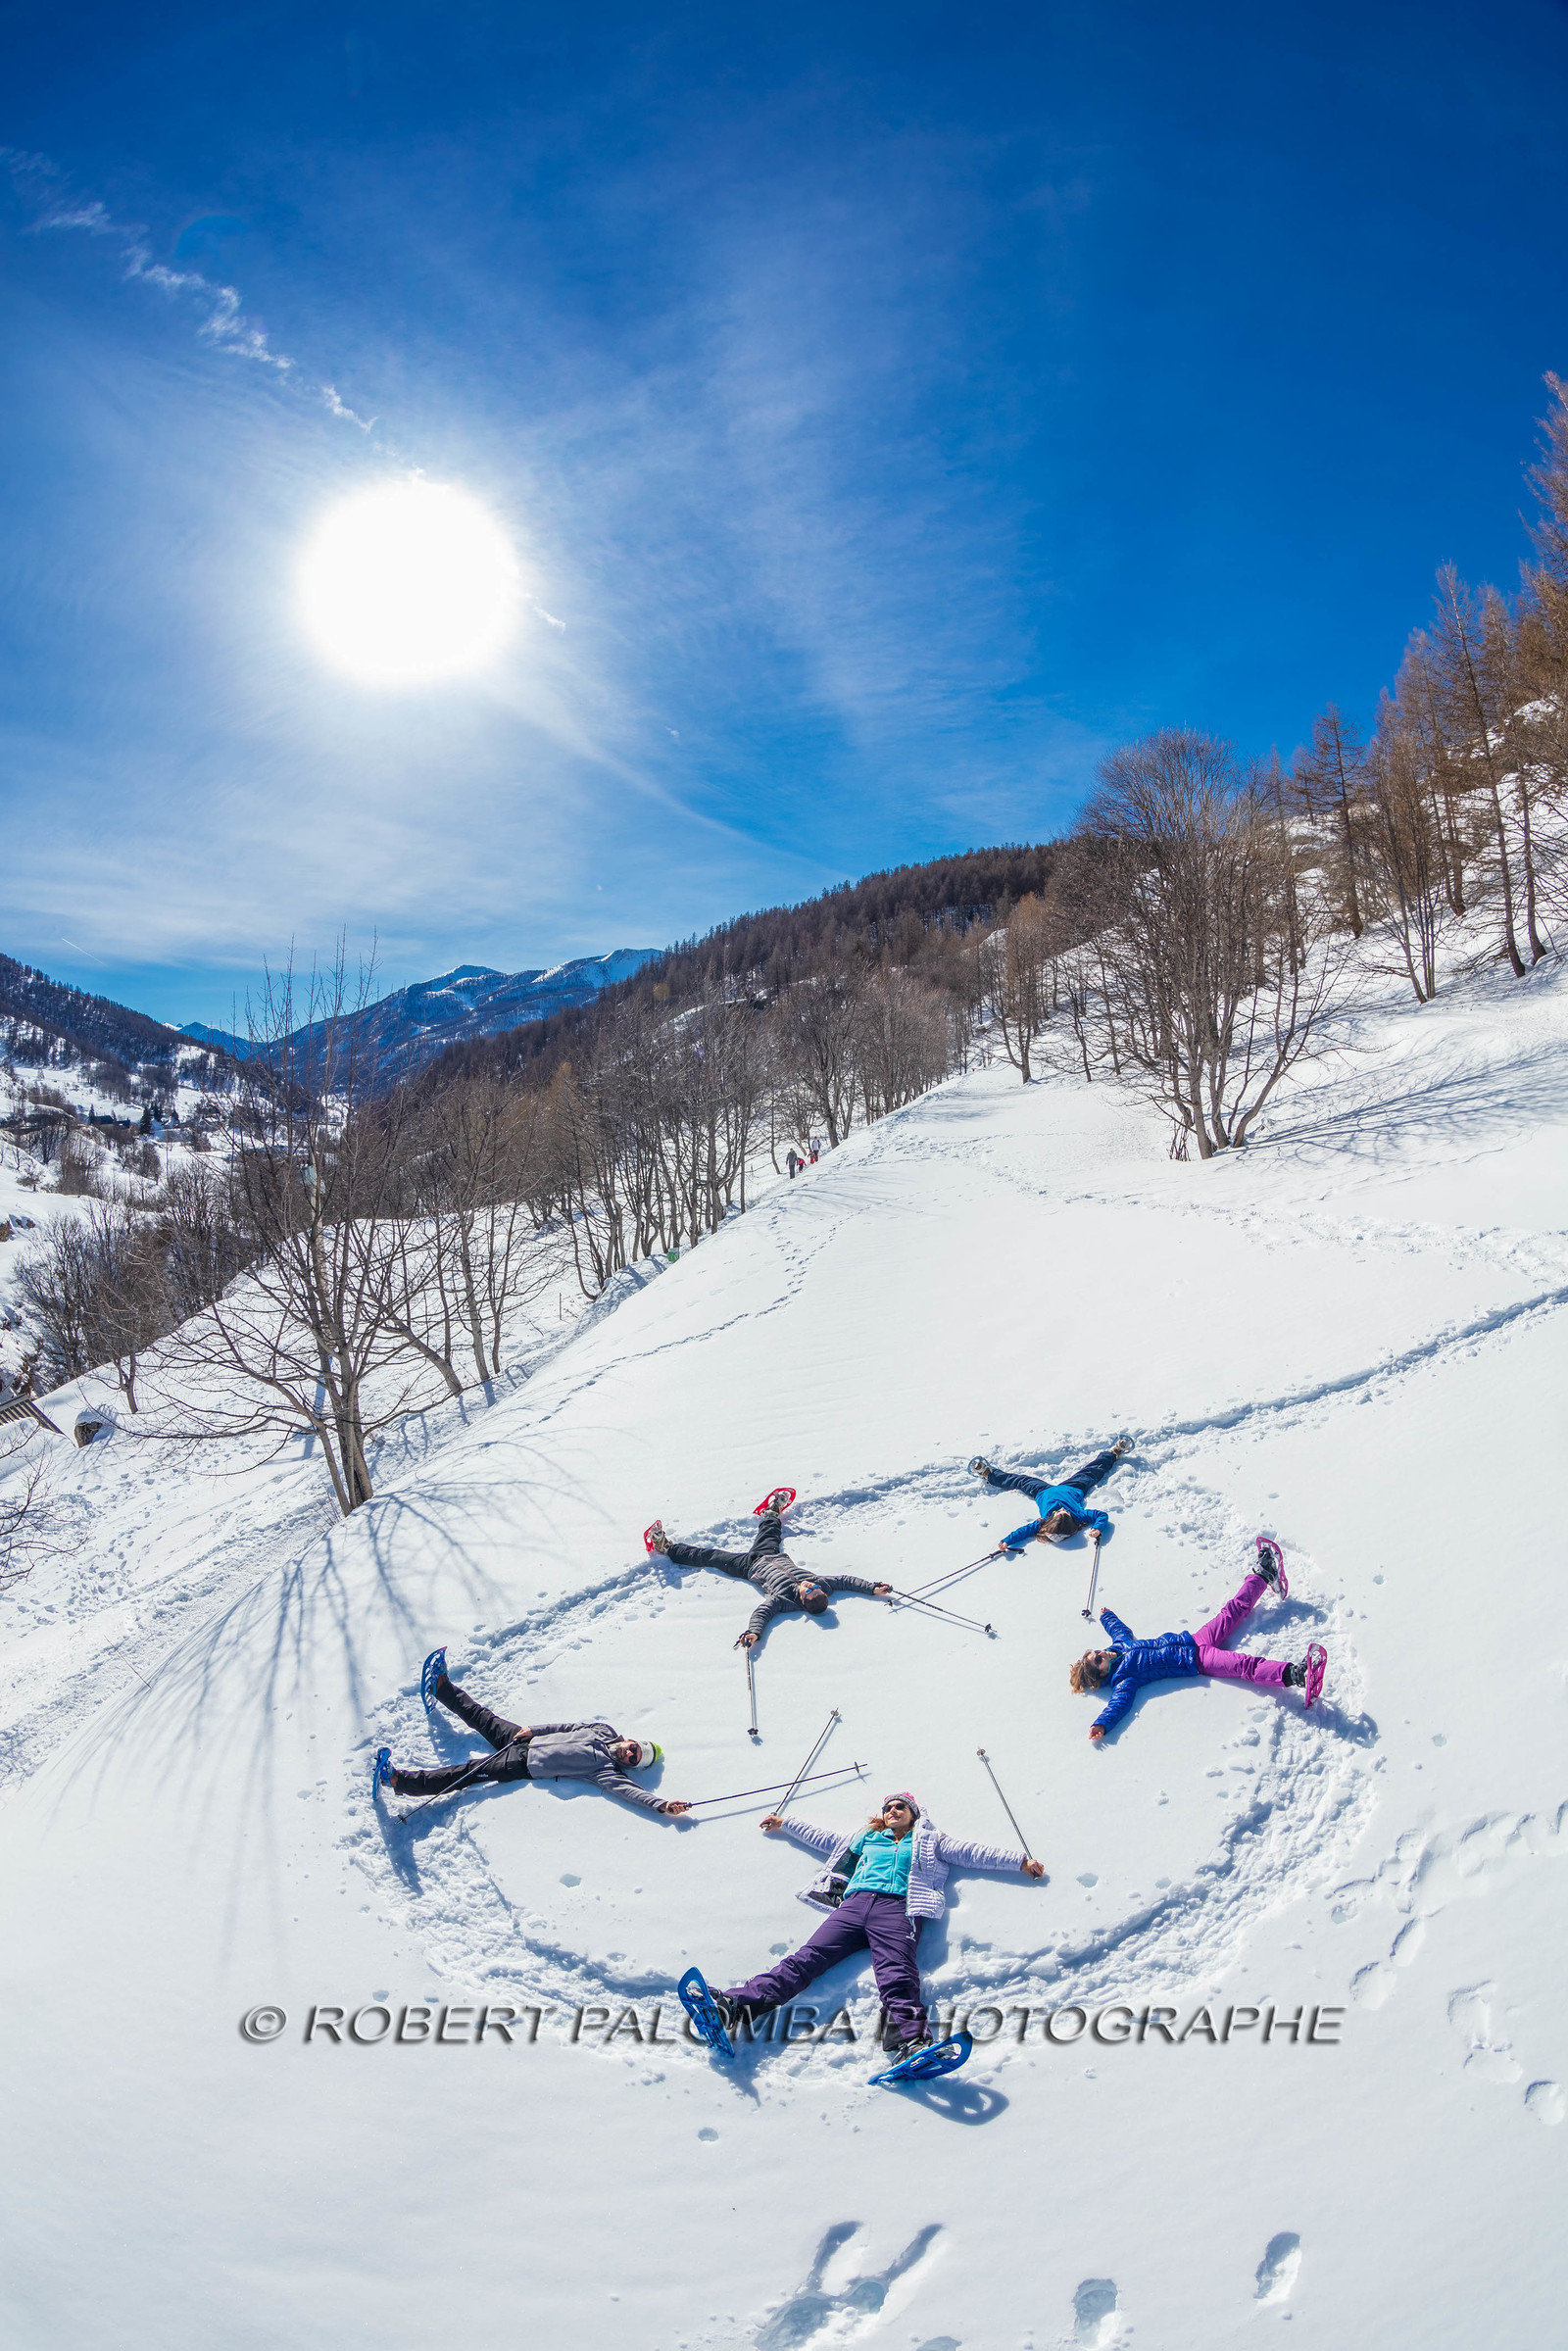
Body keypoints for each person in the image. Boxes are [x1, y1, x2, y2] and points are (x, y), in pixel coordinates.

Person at [706, 1791, 1045, 2064]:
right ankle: (736, 2006)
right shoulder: (866, 1838)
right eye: (889, 1808)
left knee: (897, 1973)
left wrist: (1019, 1861)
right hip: (854, 1905)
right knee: (805, 1959)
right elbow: (823, 1838)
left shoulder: (929, 1841)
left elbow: (971, 1851)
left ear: (914, 1814)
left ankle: (908, 2042)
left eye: (901, 1807)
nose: (893, 1811)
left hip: (898, 1908)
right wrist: (786, 1823)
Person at [1072, 1543, 1325, 1743]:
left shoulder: (1120, 1646)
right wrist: (1102, 1724)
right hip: (1198, 1661)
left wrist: (1107, 1617)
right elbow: (1119, 1704)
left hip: (1195, 1639)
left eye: (1095, 1651)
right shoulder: (1125, 1679)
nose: (1100, 1652)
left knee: (1233, 1610)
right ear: (1101, 1673)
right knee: (1244, 1666)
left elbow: (1119, 1631)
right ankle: (1296, 1674)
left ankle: (1263, 1574)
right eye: (1098, 1659)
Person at [377, 1653, 690, 1813]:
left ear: (631, 1765)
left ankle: (398, 1780)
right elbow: (567, 1727)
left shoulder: (606, 1772)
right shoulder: (605, 1730)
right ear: (631, 1740)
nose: (630, 1753)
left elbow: (632, 1793)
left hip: (521, 1766)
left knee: (464, 1774)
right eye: (634, 1747)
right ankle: (442, 1687)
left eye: (634, 1759)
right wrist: (532, 1730)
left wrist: (661, 1805)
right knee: (482, 1717)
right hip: (526, 1739)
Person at [647, 1494, 892, 1647]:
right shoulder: (822, 1584)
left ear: (803, 1602)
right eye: (815, 1587)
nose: (811, 1586)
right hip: (771, 1555)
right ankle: (772, 1510)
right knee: (771, 1532)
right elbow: (846, 1580)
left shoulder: (783, 1600)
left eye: (809, 1591)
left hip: (748, 1566)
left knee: (709, 1556)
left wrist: (754, 1633)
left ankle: (665, 1546)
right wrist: (872, 1588)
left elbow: (762, 1613)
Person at [971, 1438, 1130, 1551]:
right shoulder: (1079, 1516)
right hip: (1074, 1488)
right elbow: (1101, 1515)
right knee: (1092, 1471)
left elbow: (1023, 1531)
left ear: (1050, 1521)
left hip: (1041, 1491)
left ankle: (988, 1473)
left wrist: (1006, 1541)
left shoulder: (1042, 1522)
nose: (1062, 1509)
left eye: (1059, 1513)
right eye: (1065, 1513)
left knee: (1018, 1480)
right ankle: (1114, 1452)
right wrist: (1097, 1528)